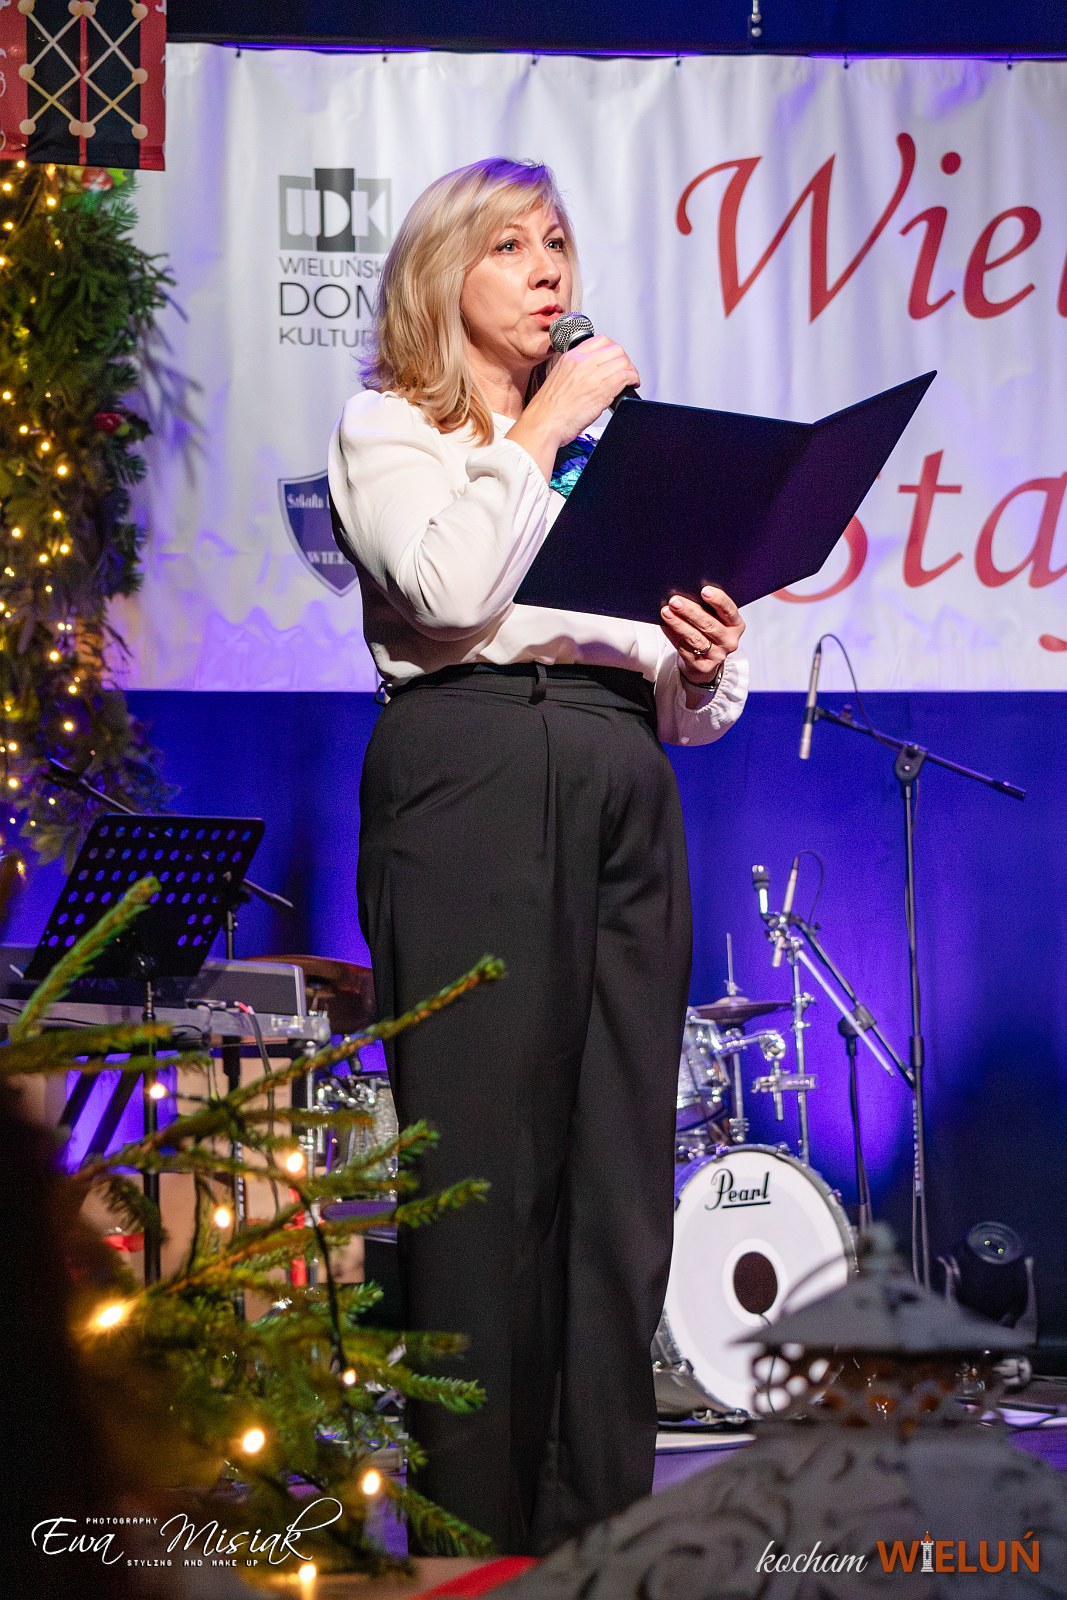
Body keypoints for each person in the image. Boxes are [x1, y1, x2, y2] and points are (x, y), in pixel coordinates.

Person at [327, 157, 749, 1557]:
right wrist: (545, 422)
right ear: (444, 275)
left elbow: (686, 703)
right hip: (473, 775)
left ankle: (599, 1544)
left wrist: (703, 661)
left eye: (558, 240)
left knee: (618, 1198)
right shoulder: (391, 427)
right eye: (509, 244)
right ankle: (472, 1549)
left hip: (622, 775)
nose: (547, 266)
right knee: (482, 1187)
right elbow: (448, 593)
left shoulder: (610, 460)